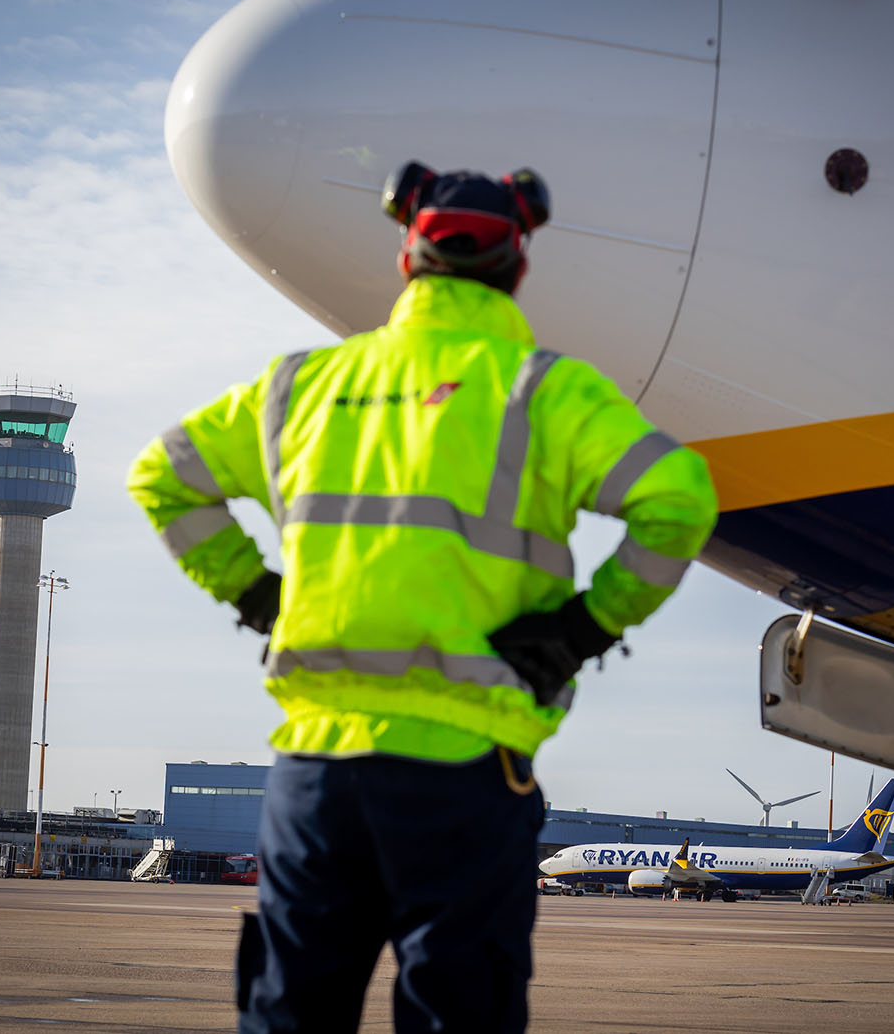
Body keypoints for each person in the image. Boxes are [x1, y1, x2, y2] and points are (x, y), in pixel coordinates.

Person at [126, 161, 718, 1033]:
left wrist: (258, 597)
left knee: (292, 1014)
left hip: (314, 775)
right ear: (517, 267)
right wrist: (585, 626)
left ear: (408, 260)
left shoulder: (300, 388)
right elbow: (679, 501)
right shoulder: (543, 391)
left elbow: (161, 479)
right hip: (464, 774)